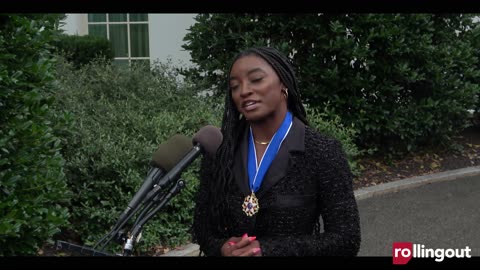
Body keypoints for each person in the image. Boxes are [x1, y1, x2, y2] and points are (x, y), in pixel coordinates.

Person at [192, 46, 361, 256]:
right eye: (235, 86)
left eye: (256, 80)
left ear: (283, 84)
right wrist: (222, 248)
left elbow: (346, 239)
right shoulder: (221, 149)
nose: (244, 91)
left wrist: (270, 250)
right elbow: (203, 228)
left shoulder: (322, 151)